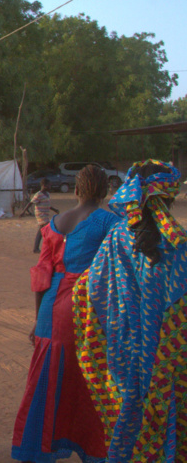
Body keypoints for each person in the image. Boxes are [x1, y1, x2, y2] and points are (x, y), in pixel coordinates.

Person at [73, 160, 187, 462]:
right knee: (165, 426)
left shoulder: (116, 237)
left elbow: (88, 289)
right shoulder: (178, 244)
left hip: (121, 353)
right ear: (169, 195)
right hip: (167, 359)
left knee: (125, 425)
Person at [12, 165, 117, 463]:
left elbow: (42, 275)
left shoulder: (54, 223)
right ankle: (94, 448)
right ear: (103, 191)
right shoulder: (110, 223)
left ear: (76, 190)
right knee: (91, 377)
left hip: (50, 308)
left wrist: (37, 319)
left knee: (46, 378)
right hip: (87, 307)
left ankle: (40, 446)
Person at [21, 178, 60, 253]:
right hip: (40, 215)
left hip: (45, 214)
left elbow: (47, 205)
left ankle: (36, 248)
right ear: (44, 186)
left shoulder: (47, 194)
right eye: (49, 185)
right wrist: (23, 212)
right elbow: (31, 203)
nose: (50, 187)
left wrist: (55, 210)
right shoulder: (38, 194)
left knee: (41, 231)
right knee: (48, 228)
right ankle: (49, 247)